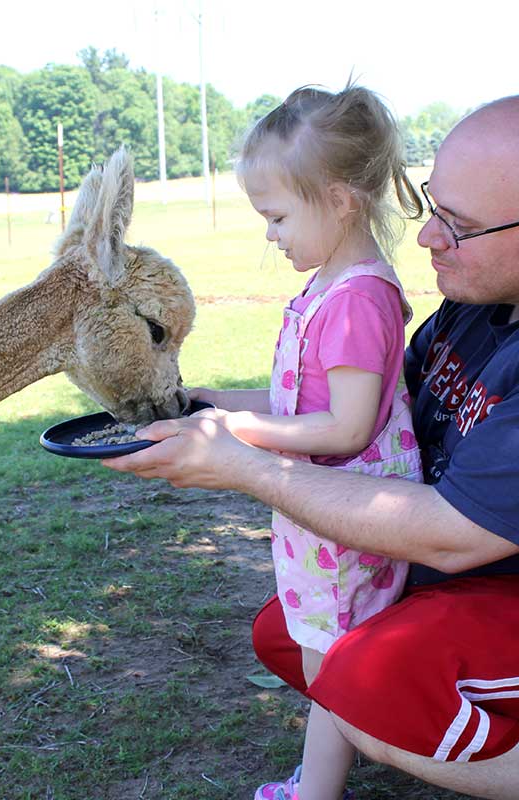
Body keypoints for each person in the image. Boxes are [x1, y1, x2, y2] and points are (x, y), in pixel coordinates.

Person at [103, 92, 519, 800]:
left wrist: (244, 467)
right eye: (431, 205)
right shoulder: (495, 293)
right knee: (292, 632)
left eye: (459, 224)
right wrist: (212, 409)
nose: (427, 238)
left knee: (369, 679)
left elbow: (451, 537)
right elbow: (382, 416)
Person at [188, 84, 424, 800]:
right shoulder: (332, 286)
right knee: (330, 664)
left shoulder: (356, 300)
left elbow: (346, 429)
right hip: (320, 512)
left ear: (340, 200)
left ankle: (316, 793)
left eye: (278, 215)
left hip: (347, 520)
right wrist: (212, 402)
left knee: (335, 673)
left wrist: (234, 434)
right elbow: (302, 403)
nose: (270, 233)